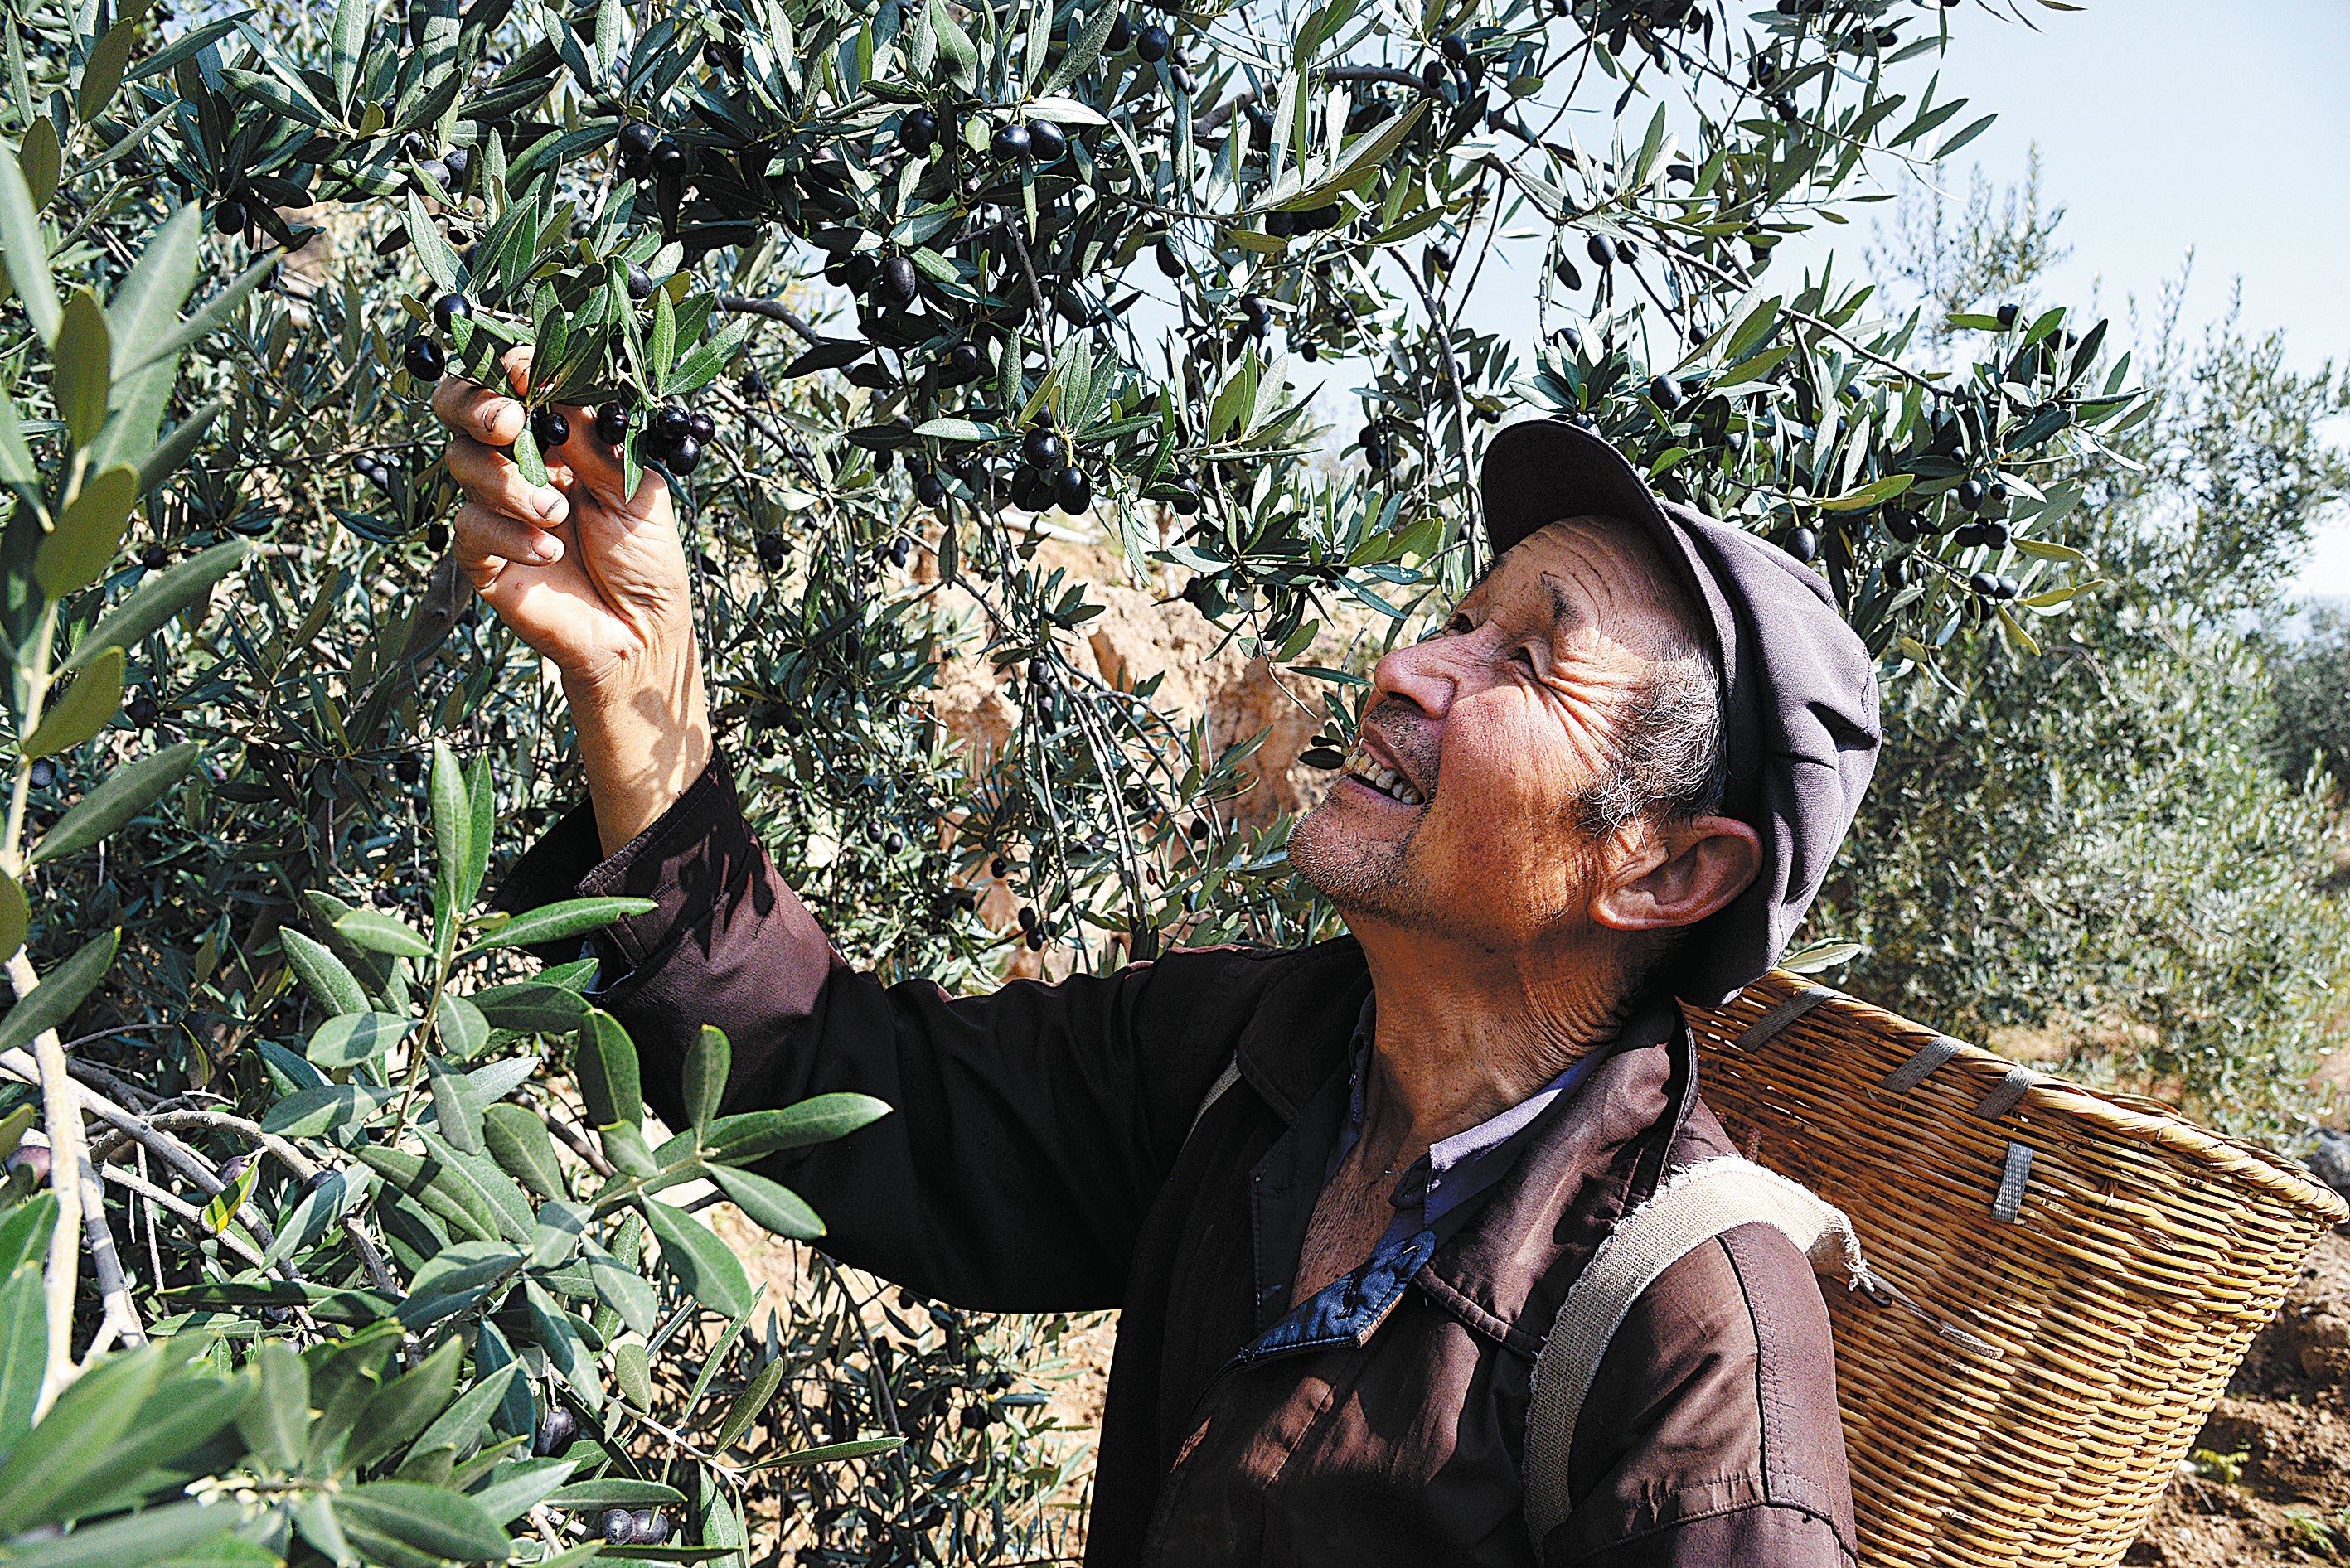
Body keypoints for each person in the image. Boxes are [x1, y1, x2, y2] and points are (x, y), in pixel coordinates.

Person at [435, 357, 1880, 1566]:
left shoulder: (1695, 1356)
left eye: (1526, 662)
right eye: (1458, 620)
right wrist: (641, 690)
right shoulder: (1251, 1061)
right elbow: (833, 1087)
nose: (1410, 671)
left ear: (1669, 869)